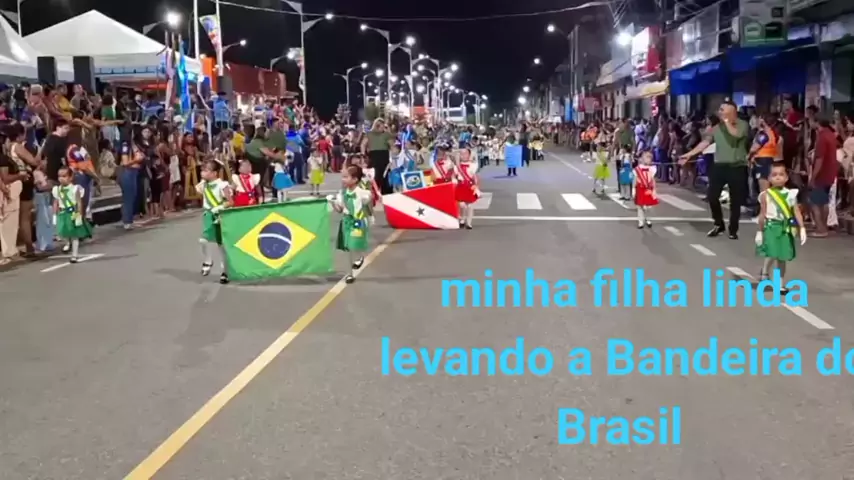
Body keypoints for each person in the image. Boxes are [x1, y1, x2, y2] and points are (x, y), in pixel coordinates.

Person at [680, 100, 750, 239]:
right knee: (712, 196)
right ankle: (719, 224)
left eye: (723, 110)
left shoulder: (743, 125)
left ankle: (733, 229)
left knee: (735, 201)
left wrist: (727, 122)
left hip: (737, 166)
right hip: (719, 166)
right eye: (720, 109)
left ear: (732, 112)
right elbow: (705, 142)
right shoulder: (717, 128)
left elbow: (736, 135)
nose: (720, 112)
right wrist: (689, 154)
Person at [755, 162, 807, 290]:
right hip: (771, 227)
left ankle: (779, 283)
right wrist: (760, 231)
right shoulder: (766, 195)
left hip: (785, 228)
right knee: (772, 252)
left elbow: (796, 211)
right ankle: (765, 272)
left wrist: (802, 228)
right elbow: (762, 214)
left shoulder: (791, 194)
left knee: (782, 257)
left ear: (786, 178)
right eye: (774, 175)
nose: (778, 177)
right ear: (769, 178)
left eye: (781, 174)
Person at [329, 165, 372, 284]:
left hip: (358, 221)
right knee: (347, 248)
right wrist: (332, 202)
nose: (343, 179)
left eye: (346, 177)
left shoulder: (362, 192)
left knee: (354, 244)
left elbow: (367, 204)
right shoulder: (342, 193)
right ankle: (349, 274)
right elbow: (339, 210)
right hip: (346, 222)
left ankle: (359, 257)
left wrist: (370, 214)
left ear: (355, 179)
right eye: (343, 177)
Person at [197, 160, 233, 284]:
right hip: (208, 215)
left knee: (221, 245)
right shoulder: (203, 185)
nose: (202, 173)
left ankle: (225, 272)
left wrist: (219, 208)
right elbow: (199, 192)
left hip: (220, 216)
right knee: (203, 240)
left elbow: (230, 202)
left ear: (214, 173)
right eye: (202, 170)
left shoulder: (222, 185)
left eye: (206, 170)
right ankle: (208, 261)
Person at [52, 167, 92, 263]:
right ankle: (67, 243)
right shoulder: (57, 189)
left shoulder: (75, 189)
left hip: (72, 213)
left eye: (64, 176)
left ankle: (74, 255)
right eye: (59, 176)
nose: (61, 178)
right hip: (62, 213)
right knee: (62, 232)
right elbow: (56, 202)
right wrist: (54, 215)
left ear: (70, 177)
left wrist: (79, 215)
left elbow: (79, 202)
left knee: (74, 234)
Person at [809, 119, 840, 238]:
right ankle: (824, 227)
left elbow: (819, 159)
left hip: (822, 174)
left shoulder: (822, 137)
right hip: (830, 174)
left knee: (815, 203)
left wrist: (813, 177)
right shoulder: (831, 135)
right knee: (824, 202)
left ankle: (820, 229)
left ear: (817, 122)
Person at [455, 145, 481, 230]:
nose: (463, 155)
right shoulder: (457, 166)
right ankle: (462, 218)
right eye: (461, 154)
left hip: (469, 187)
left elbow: (475, 177)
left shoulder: (472, 165)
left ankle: (469, 222)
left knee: (470, 206)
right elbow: (454, 176)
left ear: (469, 155)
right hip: (461, 186)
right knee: (462, 205)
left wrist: (476, 186)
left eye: (465, 153)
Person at [634, 151, 658, 229]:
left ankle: (648, 219)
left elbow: (653, 179)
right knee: (640, 206)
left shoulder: (652, 169)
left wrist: (654, 189)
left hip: (648, 189)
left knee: (648, 206)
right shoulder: (638, 168)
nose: (648, 159)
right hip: (640, 188)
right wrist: (633, 190)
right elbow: (635, 179)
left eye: (649, 157)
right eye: (646, 157)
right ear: (641, 159)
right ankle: (640, 222)